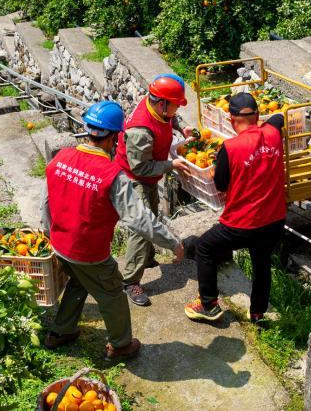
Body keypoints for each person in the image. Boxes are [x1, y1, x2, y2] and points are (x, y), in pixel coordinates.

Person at [43, 100, 185, 361]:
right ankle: (120, 345)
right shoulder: (112, 175)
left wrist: (49, 233)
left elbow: (47, 202)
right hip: (90, 252)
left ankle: (60, 331)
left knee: (80, 281)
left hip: (60, 243)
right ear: (116, 137)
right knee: (113, 294)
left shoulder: (60, 159)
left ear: (88, 130)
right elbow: (139, 218)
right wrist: (173, 242)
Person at [184, 92, 287, 324]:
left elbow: (220, 184)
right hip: (274, 220)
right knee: (262, 262)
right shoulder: (273, 133)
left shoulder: (230, 148)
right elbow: (278, 118)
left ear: (231, 120)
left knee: (205, 248)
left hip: (243, 224)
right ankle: (258, 313)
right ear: (258, 116)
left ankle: (208, 304)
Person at [113, 73, 195, 306]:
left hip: (147, 176)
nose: (176, 110)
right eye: (175, 106)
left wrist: (182, 126)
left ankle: (147, 258)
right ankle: (130, 280)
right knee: (141, 227)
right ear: (162, 103)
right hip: (133, 178)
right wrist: (172, 164)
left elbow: (170, 118)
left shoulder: (157, 105)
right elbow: (140, 166)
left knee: (152, 212)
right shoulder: (141, 131)